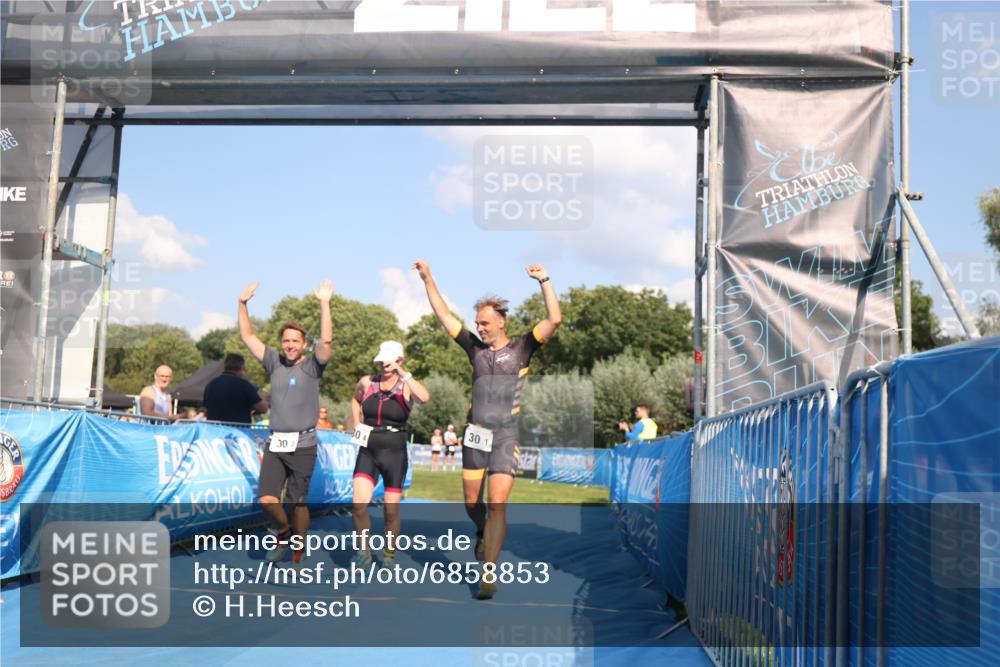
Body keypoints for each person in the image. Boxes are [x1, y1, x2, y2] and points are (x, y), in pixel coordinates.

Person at [415, 259, 561, 599]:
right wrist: (428, 279)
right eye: (477, 323)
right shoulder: (474, 349)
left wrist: (545, 281)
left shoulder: (523, 347)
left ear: (501, 322)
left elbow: (554, 318)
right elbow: (443, 315)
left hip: (506, 434)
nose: (479, 328)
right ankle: (481, 529)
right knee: (471, 501)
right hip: (475, 433)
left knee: (497, 502)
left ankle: (489, 572)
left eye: (485, 323)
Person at [238, 279, 333, 565]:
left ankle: (298, 546)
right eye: (286, 341)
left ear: (304, 344)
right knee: (267, 499)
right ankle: (284, 531)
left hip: (304, 445)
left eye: (295, 341)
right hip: (276, 443)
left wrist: (324, 303)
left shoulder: (313, 366)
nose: (290, 345)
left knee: (297, 501)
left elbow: (326, 342)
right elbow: (247, 336)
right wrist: (242, 304)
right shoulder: (273, 362)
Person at [348, 340, 429, 568]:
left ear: (399, 360)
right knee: (358, 504)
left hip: (395, 452)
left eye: (389, 360)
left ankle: (389, 554)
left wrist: (403, 373)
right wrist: (357, 422)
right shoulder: (367, 382)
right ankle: (363, 551)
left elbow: (424, 397)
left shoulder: (405, 385)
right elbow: (355, 400)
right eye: (381, 359)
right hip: (369, 448)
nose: (383, 364)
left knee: (390, 512)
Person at [203, 353, 269, 424]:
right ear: (241, 367)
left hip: (213, 431)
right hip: (237, 431)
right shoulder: (244, 385)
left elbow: (206, 408)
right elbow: (263, 408)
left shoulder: (210, 384)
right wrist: (262, 395)